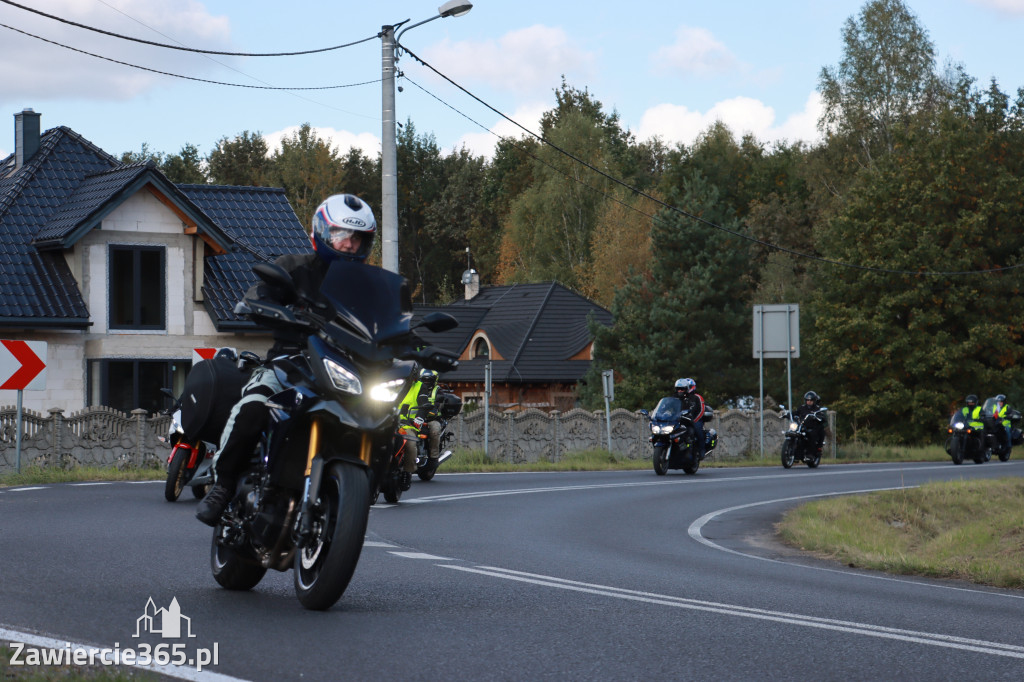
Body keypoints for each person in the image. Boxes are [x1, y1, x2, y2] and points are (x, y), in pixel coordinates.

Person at [196, 193, 377, 526]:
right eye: (342, 236)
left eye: (358, 239)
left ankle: (361, 487)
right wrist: (266, 306)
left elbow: (391, 324)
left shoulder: (370, 287)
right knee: (254, 407)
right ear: (322, 233)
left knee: (383, 415)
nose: (350, 245)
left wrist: (416, 342)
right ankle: (222, 485)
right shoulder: (295, 268)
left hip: (345, 374)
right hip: (289, 366)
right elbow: (258, 294)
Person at [395, 369, 443, 489]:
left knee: (411, 444)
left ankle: (407, 473)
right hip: (388, 422)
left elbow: (423, 403)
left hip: (408, 424)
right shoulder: (391, 385)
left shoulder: (420, 387)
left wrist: (419, 418)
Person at [673, 378, 706, 459]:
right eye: (678, 389)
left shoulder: (696, 397)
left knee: (697, 430)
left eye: (682, 389)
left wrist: (694, 420)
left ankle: (701, 450)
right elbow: (669, 407)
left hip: (694, 419)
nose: (680, 391)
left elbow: (701, 410)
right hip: (680, 420)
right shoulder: (675, 398)